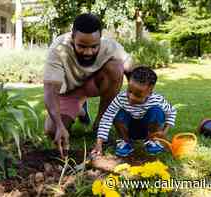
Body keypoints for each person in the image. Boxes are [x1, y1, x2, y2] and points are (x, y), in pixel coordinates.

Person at [43, 13, 133, 158]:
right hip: (69, 92)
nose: (88, 52)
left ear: (100, 39)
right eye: (82, 46)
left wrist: (138, 102)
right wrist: (59, 125)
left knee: (116, 68)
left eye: (94, 46)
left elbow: (131, 69)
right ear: (72, 38)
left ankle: (100, 124)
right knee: (51, 130)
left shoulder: (109, 46)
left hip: (93, 84)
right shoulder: (58, 49)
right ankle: (81, 110)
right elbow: (49, 91)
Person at [91, 66, 177, 157]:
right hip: (128, 130)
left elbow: (172, 112)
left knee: (157, 111)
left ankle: (152, 141)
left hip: (148, 130)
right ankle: (125, 142)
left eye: (138, 95)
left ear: (150, 91)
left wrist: (164, 132)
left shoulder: (157, 100)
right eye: (129, 91)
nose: (131, 97)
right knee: (117, 112)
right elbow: (107, 118)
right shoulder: (121, 98)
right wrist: (99, 143)